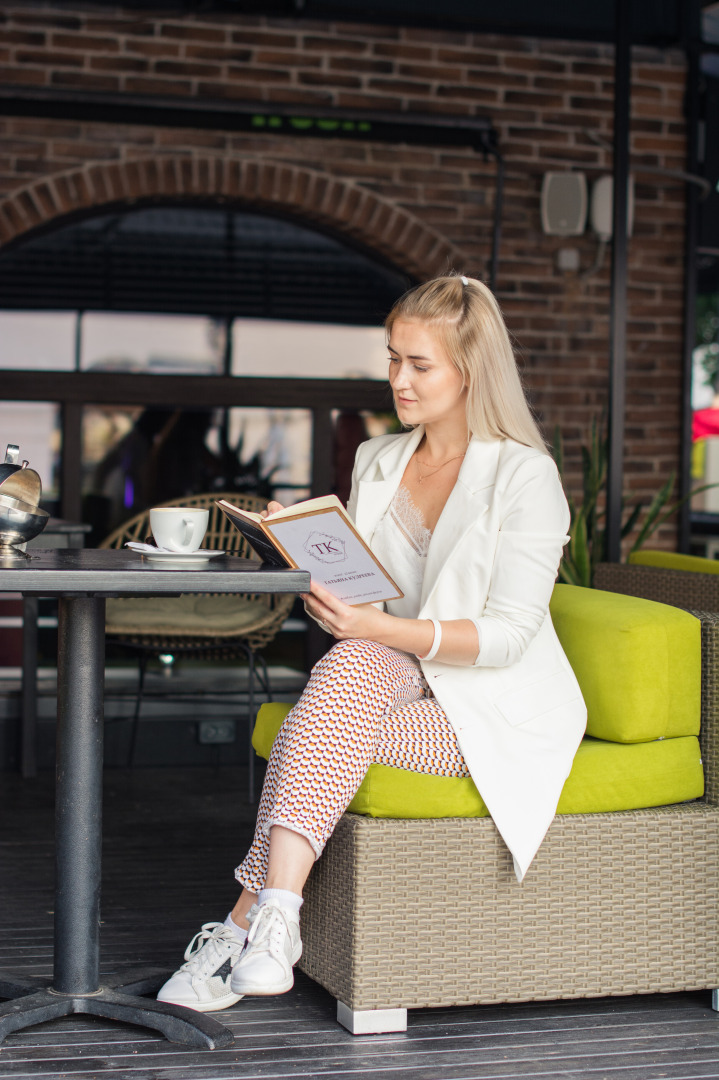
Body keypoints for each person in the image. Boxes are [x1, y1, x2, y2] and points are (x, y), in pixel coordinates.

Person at [157, 273, 587, 1014]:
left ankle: (240, 923)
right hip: (392, 670)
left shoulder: (525, 475)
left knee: (317, 723)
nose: (398, 380)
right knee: (349, 667)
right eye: (393, 359)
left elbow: (509, 637)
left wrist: (374, 627)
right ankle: (278, 921)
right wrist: (305, 551)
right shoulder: (379, 460)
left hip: (489, 709)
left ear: (471, 371)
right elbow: (369, 595)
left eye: (420, 365)